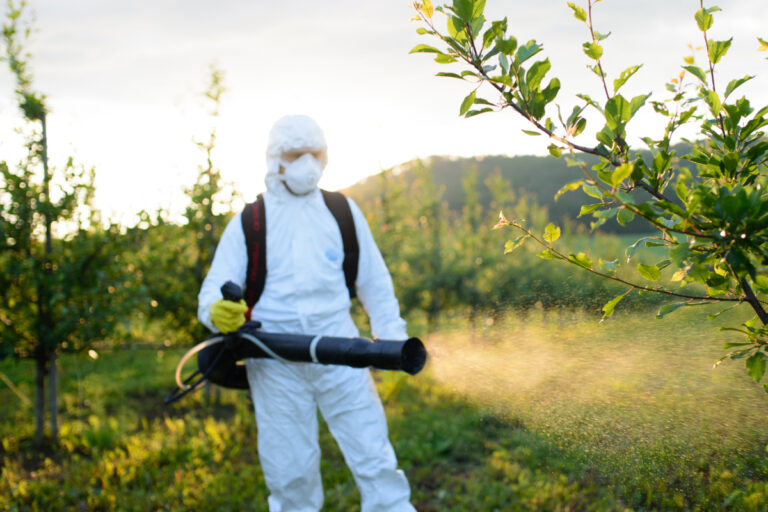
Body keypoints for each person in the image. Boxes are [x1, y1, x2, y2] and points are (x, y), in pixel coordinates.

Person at [197, 114, 417, 512]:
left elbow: (374, 281)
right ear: (275, 159)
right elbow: (211, 293)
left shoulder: (342, 211)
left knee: (375, 458)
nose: (307, 164)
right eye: (297, 154)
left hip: (341, 351)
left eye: (315, 154)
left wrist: (392, 339)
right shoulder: (251, 221)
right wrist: (219, 312)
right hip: (275, 358)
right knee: (291, 472)